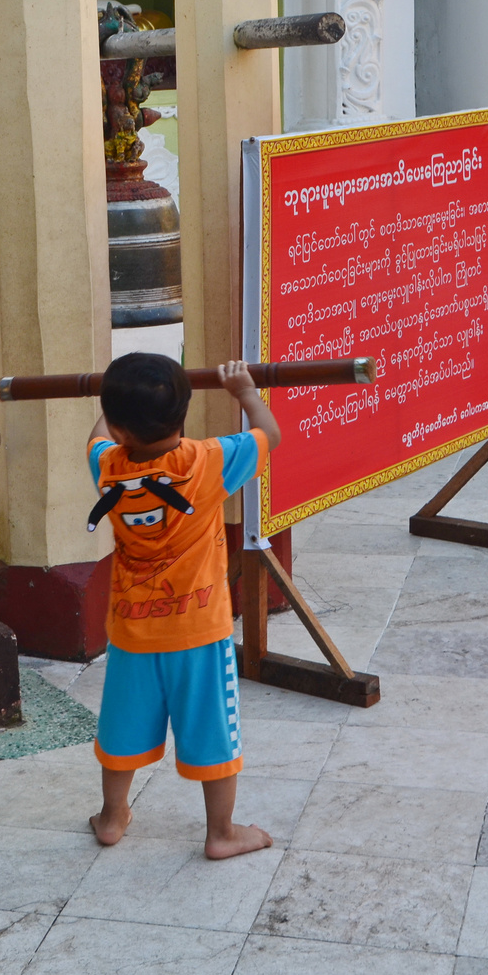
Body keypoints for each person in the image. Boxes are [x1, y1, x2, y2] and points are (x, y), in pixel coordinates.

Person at [85, 352, 281, 859]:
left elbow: (96, 436)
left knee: (121, 727)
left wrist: (109, 400)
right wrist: (245, 394)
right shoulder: (208, 460)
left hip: (131, 634)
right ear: (184, 415)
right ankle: (221, 833)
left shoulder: (107, 467)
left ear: (118, 425)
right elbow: (269, 435)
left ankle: (111, 817)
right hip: (199, 634)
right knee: (214, 732)